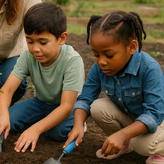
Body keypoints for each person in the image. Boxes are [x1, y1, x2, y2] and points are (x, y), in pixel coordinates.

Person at [64, 11, 164, 164]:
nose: (101, 61)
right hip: (135, 117)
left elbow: (153, 115)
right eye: (96, 54)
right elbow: (85, 99)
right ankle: (124, 144)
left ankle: (160, 150)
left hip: (159, 120)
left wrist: (121, 134)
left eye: (109, 55)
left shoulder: (149, 68)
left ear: (131, 47)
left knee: (141, 145)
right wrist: (77, 125)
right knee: (97, 107)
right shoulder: (100, 68)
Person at [0, 2, 85, 153]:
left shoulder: (72, 61)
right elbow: (6, 90)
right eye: (29, 41)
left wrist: (35, 129)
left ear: (62, 38)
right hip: (40, 103)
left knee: (58, 133)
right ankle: (44, 121)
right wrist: (2, 115)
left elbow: (67, 106)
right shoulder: (28, 56)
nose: (35, 49)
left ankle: (80, 125)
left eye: (43, 42)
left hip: (67, 108)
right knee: (10, 119)